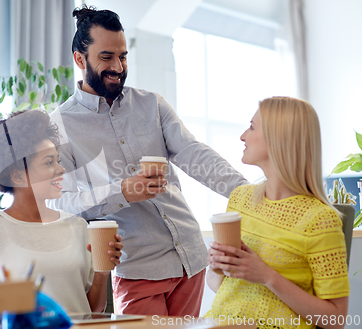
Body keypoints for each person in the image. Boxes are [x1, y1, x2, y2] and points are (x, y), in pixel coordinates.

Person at [48, 5, 248, 316]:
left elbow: (194, 154)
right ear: (79, 58)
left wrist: (248, 194)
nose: (118, 66)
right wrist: (122, 191)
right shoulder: (59, 126)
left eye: (123, 56)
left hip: (190, 257)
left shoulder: (152, 104)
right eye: (106, 57)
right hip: (136, 267)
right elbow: (60, 204)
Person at [0, 109, 123, 313]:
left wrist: (102, 274)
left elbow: (93, 311)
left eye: (57, 161)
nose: (60, 169)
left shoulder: (78, 227)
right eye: (49, 162)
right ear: (17, 177)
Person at [206, 97, 349, 329]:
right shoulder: (240, 199)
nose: (243, 136)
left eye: (252, 127)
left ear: (278, 139)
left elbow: (336, 320)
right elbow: (216, 285)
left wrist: (267, 276)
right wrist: (217, 265)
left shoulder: (320, 219)